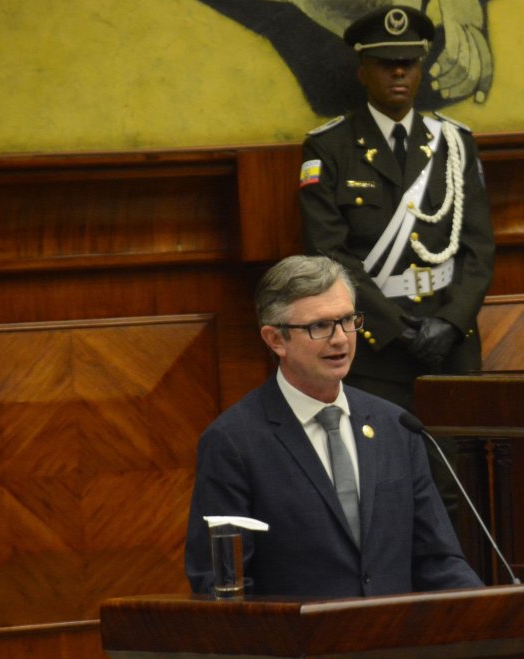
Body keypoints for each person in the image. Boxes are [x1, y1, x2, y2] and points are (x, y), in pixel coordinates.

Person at [184, 255, 483, 597]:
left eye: (347, 320)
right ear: (275, 340)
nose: (341, 339)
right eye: (320, 326)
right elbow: (220, 587)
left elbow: (438, 561)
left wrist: (493, 615)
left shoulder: (396, 425)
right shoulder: (233, 442)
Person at [297, 4, 495, 516]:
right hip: (377, 350)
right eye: (387, 63)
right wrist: (400, 330)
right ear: (362, 70)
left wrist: (449, 325)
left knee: (456, 491)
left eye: (409, 62)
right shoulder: (330, 147)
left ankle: (459, 595)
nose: (400, 73)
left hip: (449, 351)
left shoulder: (455, 144)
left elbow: (478, 251)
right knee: (383, 490)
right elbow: (331, 255)